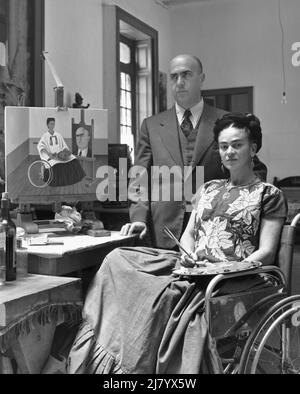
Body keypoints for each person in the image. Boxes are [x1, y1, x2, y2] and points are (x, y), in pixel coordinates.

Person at [67, 112, 287, 374]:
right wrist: (189, 255)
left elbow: (267, 250)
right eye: (224, 146)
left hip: (234, 277)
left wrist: (230, 268)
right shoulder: (209, 189)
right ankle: (106, 350)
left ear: (252, 148)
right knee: (118, 259)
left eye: (237, 145)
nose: (229, 152)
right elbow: (189, 235)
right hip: (194, 268)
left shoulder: (268, 194)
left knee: (162, 294)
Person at [121, 54, 267, 249]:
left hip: (214, 231)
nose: (179, 82)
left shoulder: (227, 122)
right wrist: (139, 217)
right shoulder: (151, 125)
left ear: (201, 78)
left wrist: (234, 207)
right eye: (174, 77)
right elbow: (139, 177)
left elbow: (255, 171)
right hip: (163, 230)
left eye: (186, 75)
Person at [37, 118, 85, 187]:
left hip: (60, 154)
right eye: (51, 123)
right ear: (47, 125)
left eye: (54, 123)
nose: (53, 125)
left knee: (73, 159)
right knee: (56, 164)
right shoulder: (44, 136)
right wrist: (48, 154)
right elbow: (41, 147)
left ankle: (73, 179)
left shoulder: (58, 135)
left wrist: (65, 152)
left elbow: (64, 146)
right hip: (51, 156)